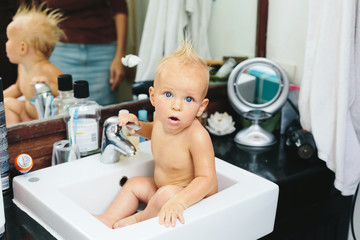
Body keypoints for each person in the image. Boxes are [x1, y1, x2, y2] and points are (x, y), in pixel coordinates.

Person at [94, 40, 218, 229]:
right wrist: (136, 125)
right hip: (162, 192)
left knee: (166, 195)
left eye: (189, 98)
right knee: (134, 185)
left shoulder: (197, 136)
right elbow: (153, 131)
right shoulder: (162, 120)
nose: (176, 105)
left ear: (201, 107)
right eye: (168, 94)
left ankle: (137, 221)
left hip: (191, 201)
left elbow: (206, 180)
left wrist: (179, 202)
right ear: (153, 96)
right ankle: (108, 218)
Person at [41, 0, 128, 106]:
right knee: (65, 111)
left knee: (103, 113)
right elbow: (36, 12)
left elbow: (120, 8)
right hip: (62, 53)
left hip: (103, 51)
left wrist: (120, 55)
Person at [4, 3, 64, 125]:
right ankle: (13, 138)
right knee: (7, 104)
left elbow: (66, 92)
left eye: (9, 39)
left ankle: (16, 138)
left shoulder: (47, 70)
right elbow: (17, 88)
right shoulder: (22, 67)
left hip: (48, 122)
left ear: (23, 48)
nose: (5, 44)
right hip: (29, 117)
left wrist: (49, 86)